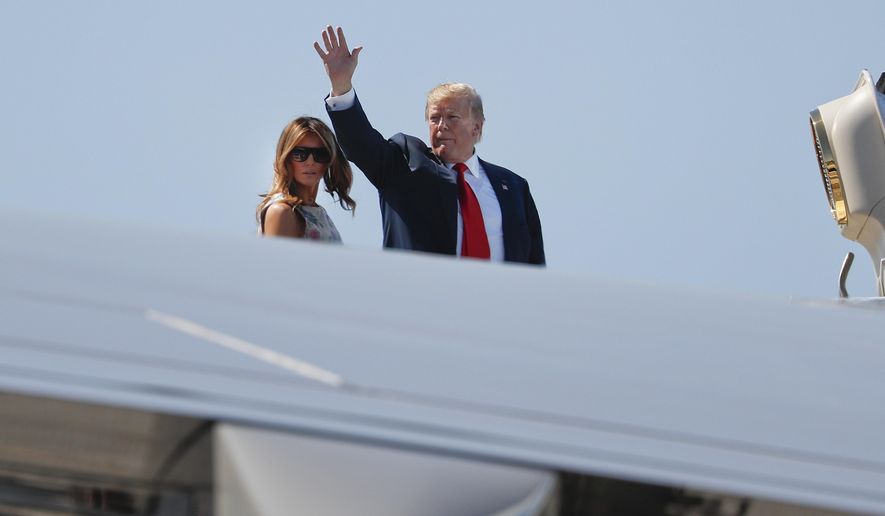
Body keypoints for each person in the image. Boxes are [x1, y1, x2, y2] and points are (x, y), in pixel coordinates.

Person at [313, 26, 545, 265]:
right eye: (434, 118)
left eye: (452, 117)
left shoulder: (514, 187)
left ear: (477, 127)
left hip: (499, 300)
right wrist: (341, 87)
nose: (442, 126)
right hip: (425, 299)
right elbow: (359, 142)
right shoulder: (404, 163)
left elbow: (534, 264)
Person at [257, 116, 356, 241]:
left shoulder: (317, 212)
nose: (310, 162)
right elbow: (274, 260)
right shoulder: (282, 212)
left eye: (320, 154)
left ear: (330, 160)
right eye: (299, 154)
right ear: (285, 157)